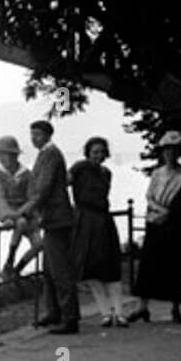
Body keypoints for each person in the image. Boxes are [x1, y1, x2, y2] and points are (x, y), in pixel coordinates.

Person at [127, 132, 181, 323]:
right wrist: (159, 209)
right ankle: (142, 306)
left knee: (176, 265)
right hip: (156, 220)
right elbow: (149, 195)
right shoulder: (157, 173)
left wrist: (172, 213)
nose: (171, 154)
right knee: (148, 264)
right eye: (167, 150)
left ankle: (175, 307)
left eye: (175, 150)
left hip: (176, 224)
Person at [21, 119, 79, 334]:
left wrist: (27, 210)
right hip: (52, 219)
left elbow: (43, 187)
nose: (33, 138)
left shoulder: (51, 154)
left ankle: (69, 318)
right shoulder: (46, 153)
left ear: (47, 135)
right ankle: (54, 312)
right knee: (49, 270)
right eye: (32, 134)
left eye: (37, 134)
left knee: (60, 270)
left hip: (57, 219)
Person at [70, 136, 126, 327]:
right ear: (88, 152)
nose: (99, 155)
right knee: (92, 268)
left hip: (102, 220)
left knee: (110, 266)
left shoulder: (106, 173)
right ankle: (105, 313)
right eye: (95, 152)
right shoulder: (79, 168)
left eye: (102, 152)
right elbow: (63, 183)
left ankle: (119, 312)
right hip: (85, 220)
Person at [0, 135, 41, 280]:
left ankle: (16, 269)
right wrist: (8, 216)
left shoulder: (26, 174)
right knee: (20, 223)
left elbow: (32, 196)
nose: (1, 158)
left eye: (4, 154)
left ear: (14, 155)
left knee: (39, 244)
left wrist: (29, 212)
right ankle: (9, 262)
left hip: (27, 212)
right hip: (11, 214)